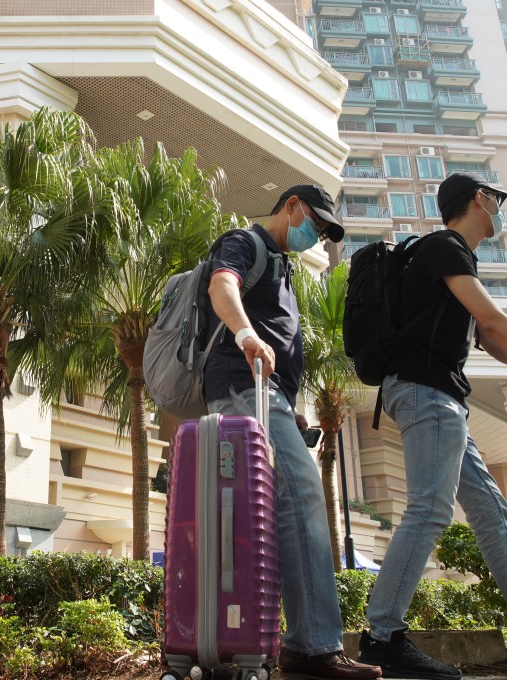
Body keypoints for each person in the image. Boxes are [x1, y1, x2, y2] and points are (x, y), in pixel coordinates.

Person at [204, 185, 382, 680]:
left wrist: (289, 407)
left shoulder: (282, 268)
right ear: (292, 207)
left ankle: (301, 643)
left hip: (268, 394)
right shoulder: (245, 241)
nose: (317, 237)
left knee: (280, 510)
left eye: (324, 233)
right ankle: (313, 646)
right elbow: (222, 285)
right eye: (316, 225)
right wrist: (246, 335)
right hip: (244, 385)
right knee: (303, 496)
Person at [356, 172, 507, 680]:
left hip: (439, 397)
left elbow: (491, 339)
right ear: (478, 199)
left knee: (490, 511)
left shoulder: (451, 256)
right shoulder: (446, 246)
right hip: (427, 392)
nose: (499, 207)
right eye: (497, 198)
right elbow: (493, 322)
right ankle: (382, 636)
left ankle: (383, 634)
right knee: (430, 508)